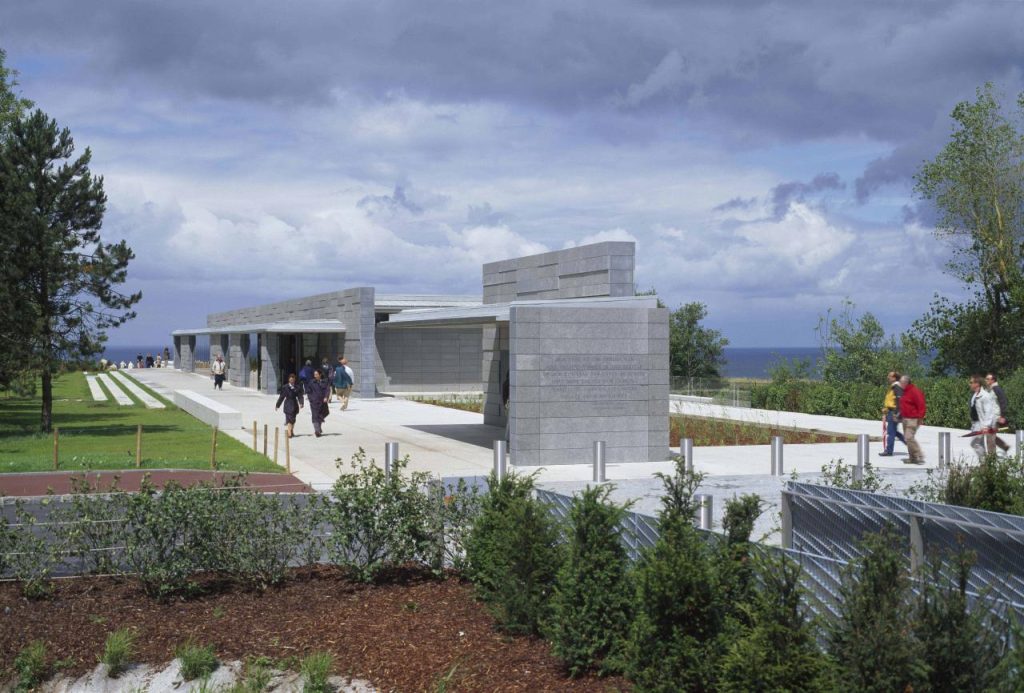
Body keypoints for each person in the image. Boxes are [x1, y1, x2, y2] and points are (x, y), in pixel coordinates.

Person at [969, 375, 999, 460]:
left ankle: (985, 463)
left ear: (977, 384)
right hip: (975, 423)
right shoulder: (975, 394)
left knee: (975, 443)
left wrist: (986, 426)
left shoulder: (985, 396)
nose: (970, 384)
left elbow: (989, 412)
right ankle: (985, 464)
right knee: (979, 444)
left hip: (982, 423)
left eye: (971, 382)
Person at [898, 375, 927, 464]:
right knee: (908, 439)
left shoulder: (915, 391)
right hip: (905, 418)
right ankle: (913, 458)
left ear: (906, 383)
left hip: (913, 419)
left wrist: (920, 417)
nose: (899, 384)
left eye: (901, 382)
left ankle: (919, 455)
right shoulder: (905, 391)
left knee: (908, 437)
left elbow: (921, 405)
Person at [879, 371, 906, 457]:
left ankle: (889, 451)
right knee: (894, 431)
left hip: (894, 412)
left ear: (894, 378)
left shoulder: (897, 387)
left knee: (891, 432)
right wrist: (886, 409)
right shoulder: (894, 387)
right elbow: (891, 401)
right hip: (891, 411)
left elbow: (900, 400)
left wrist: (897, 412)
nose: (888, 377)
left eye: (890, 376)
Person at [985, 372, 1011, 452]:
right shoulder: (990, 389)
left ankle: (991, 460)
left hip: (995, 417)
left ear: (992, 380)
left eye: (987, 379)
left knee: (990, 438)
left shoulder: (996, 389)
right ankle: (1004, 446)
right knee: (990, 436)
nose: (986, 380)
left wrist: (1002, 416)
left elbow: (1003, 401)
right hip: (990, 417)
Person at [275, 373, 304, 438]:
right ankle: (289, 433)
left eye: (293, 380)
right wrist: (277, 405)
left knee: (293, 419)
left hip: (294, 404)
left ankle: (291, 430)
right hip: (288, 404)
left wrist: (301, 403)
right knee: (289, 419)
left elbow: (300, 396)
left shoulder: (297, 387)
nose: (291, 381)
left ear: (294, 380)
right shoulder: (285, 387)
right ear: (288, 380)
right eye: (290, 380)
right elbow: (281, 397)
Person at [306, 368, 331, 437]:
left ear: (320, 375)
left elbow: (327, 390)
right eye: (314, 374)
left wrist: (326, 397)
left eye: (316, 374)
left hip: (322, 402)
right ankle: (317, 431)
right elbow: (308, 391)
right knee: (315, 415)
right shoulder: (311, 382)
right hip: (314, 402)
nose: (315, 376)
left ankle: (319, 429)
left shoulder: (325, 382)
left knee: (321, 415)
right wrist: (311, 399)